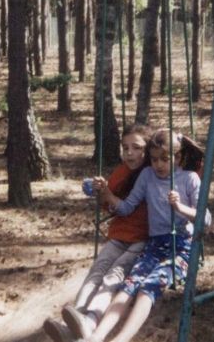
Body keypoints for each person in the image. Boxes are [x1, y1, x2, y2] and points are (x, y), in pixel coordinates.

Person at [82, 129, 212, 342]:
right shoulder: (147, 175)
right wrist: (107, 193)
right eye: (153, 160)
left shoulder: (189, 179)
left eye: (164, 159)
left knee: (147, 288)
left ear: (177, 157)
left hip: (182, 247)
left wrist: (180, 207)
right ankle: (95, 337)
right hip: (154, 245)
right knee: (129, 285)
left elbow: (205, 219)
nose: (158, 165)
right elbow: (126, 208)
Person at [43, 124, 152, 342]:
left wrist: (108, 192)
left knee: (114, 275)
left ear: (148, 150)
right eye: (125, 148)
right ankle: (74, 320)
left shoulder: (154, 174)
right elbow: (109, 205)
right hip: (119, 234)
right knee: (97, 270)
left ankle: (91, 319)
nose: (129, 153)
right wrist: (99, 191)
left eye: (137, 147)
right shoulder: (122, 172)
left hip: (143, 239)